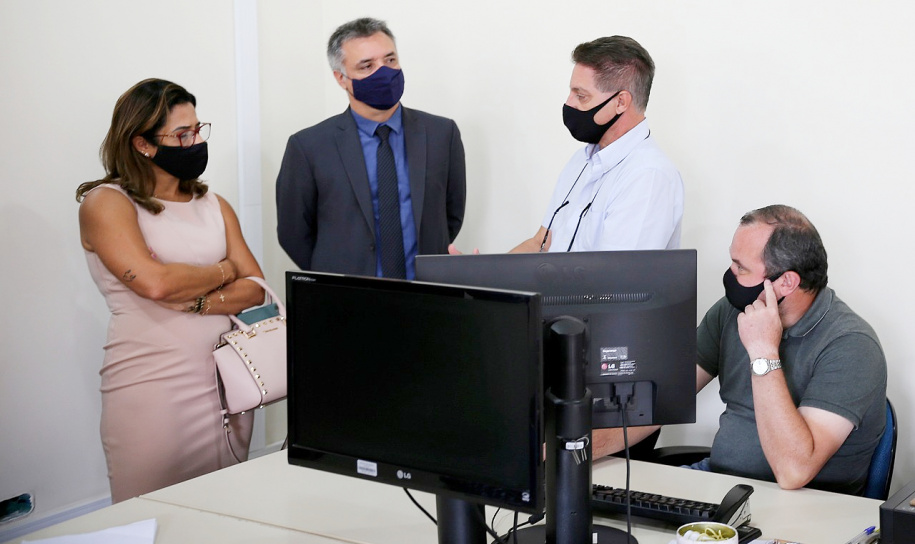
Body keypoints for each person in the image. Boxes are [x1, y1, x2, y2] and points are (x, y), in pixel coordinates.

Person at [593, 205, 887, 496]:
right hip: (719, 482)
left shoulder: (852, 346)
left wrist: (763, 351)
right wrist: (571, 451)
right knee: (604, 513)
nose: (730, 275)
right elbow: (659, 402)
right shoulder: (732, 312)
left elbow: (793, 471)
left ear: (786, 281)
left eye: (741, 267)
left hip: (805, 504)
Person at [76, 78, 267, 502]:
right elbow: (156, 284)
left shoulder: (214, 204)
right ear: (142, 144)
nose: (195, 142)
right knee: (151, 519)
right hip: (152, 390)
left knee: (229, 515)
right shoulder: (107, 203)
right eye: (182, 135)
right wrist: (226, 269)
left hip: (228, 385)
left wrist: (200, 299)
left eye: (198, 130)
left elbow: (255, 289)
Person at [276, 17, 466, 279]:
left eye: (390, 60)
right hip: (349, 300)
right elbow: (293, 233)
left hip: (428, 295)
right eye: (367, 66)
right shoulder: (308, 147)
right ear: (341, 78)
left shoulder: (441, 134)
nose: (383, 72)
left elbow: (451, 216)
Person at [509, 35, 683, 254]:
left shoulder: (648, 177)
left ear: (620, 102)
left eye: (581, 96)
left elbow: (616, 280)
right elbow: (541, 243)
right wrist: (485, 275)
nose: (568, 103)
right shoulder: (581, 160)